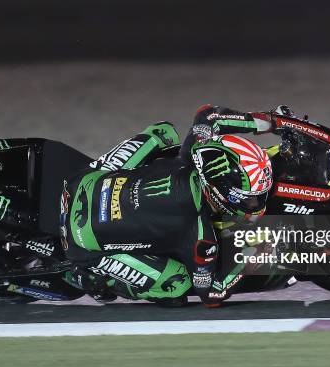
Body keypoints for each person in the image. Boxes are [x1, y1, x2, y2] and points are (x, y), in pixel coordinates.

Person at [60, 104, 278, 307]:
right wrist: (249, 259)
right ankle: (97, 280)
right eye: (251, 198)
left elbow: (208, 114)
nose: (256, 204)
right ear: (221, 192)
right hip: (82, 243)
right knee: (177, 285)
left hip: (83, 181)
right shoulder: (201, 234)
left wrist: (268, 121)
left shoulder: (190, 153)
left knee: (164, 131)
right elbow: (211, 293)